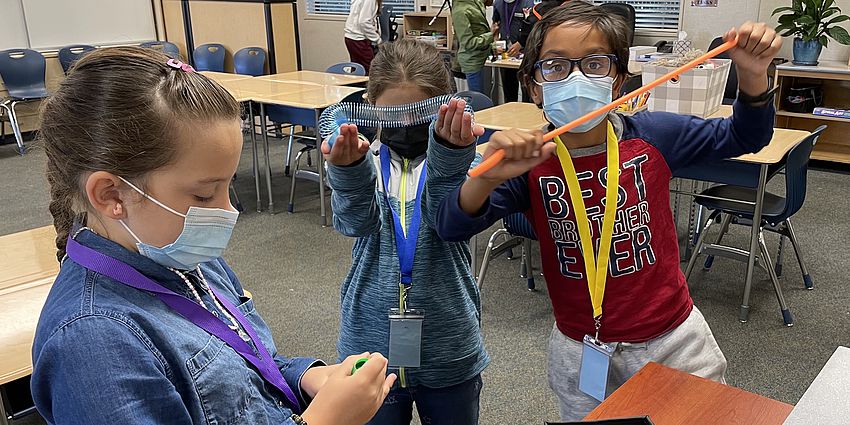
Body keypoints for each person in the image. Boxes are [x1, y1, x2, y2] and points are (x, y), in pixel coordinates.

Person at [431, 1, 782, 420]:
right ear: (533, 85)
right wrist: (486, 177)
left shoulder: (654, 136)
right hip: (580, 348)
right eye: (556, 66)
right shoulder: (528, 161)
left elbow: (748, 135)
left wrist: (753, 73)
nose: (577, 78)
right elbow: (449, 227)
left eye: (595, 64)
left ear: (618, 81)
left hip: (673, 339)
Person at [32, 47, 395, 425]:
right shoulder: (93, 342)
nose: (227, 211)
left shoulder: (184, 256)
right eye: (203, 194)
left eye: (228, 186)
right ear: (111, 195)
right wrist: (325, 420)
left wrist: (304, 377)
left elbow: (241, 369)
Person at [321, 39, 488, 425]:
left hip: (449, 345)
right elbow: (354, 224)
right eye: (393, 117)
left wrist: (450, 158)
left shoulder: (467, 160)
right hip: (370, 343)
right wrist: (349, 175)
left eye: (416, 117)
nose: (406, 129)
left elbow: (448, 225)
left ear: (443, 106)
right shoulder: (362, 157)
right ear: (371, 106)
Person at [492, 0, 535, 102]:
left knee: (527, 94)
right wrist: (495, 42)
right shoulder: (498, 3)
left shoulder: (528, 3)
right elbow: (495, 25)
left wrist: (520, 44)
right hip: (506, 54)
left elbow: (533, 27)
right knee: (509, 93)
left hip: (525, 54)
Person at [452, 0, 499, 94]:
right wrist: (491, 34)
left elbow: (481, 30)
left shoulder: (474, 3)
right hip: (472, 62)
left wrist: (493, 48)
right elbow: (469, 43)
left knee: (484, 98)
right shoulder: (460, 11)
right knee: (478, 102)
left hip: (481, 58)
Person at [345, 0, 382, 74]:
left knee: (357, 69)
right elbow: (364, 22)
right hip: (358, 39)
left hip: (352, 38)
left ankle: (356, 84)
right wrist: (377, 39)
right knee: (369, 70)